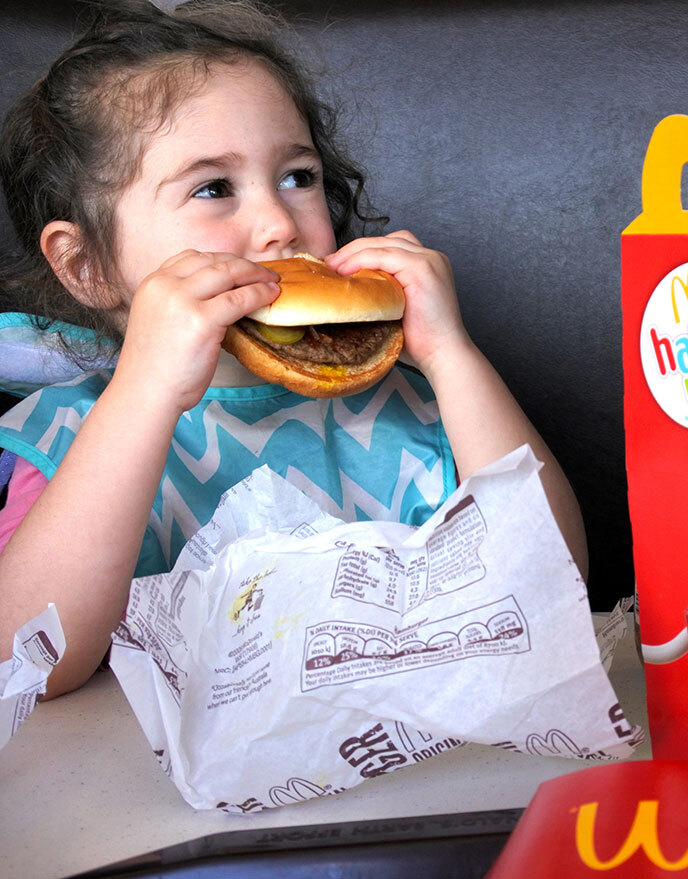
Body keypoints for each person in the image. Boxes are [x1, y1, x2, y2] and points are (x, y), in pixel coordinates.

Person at [0, 0, 587, 699]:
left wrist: (451, 355)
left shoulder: (412, 408)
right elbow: (27, 662)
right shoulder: (67, 439)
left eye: (297, 176)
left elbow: (557, 582)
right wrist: (143, 395)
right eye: (213, 188)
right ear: (87, 266)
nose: (280, 223)